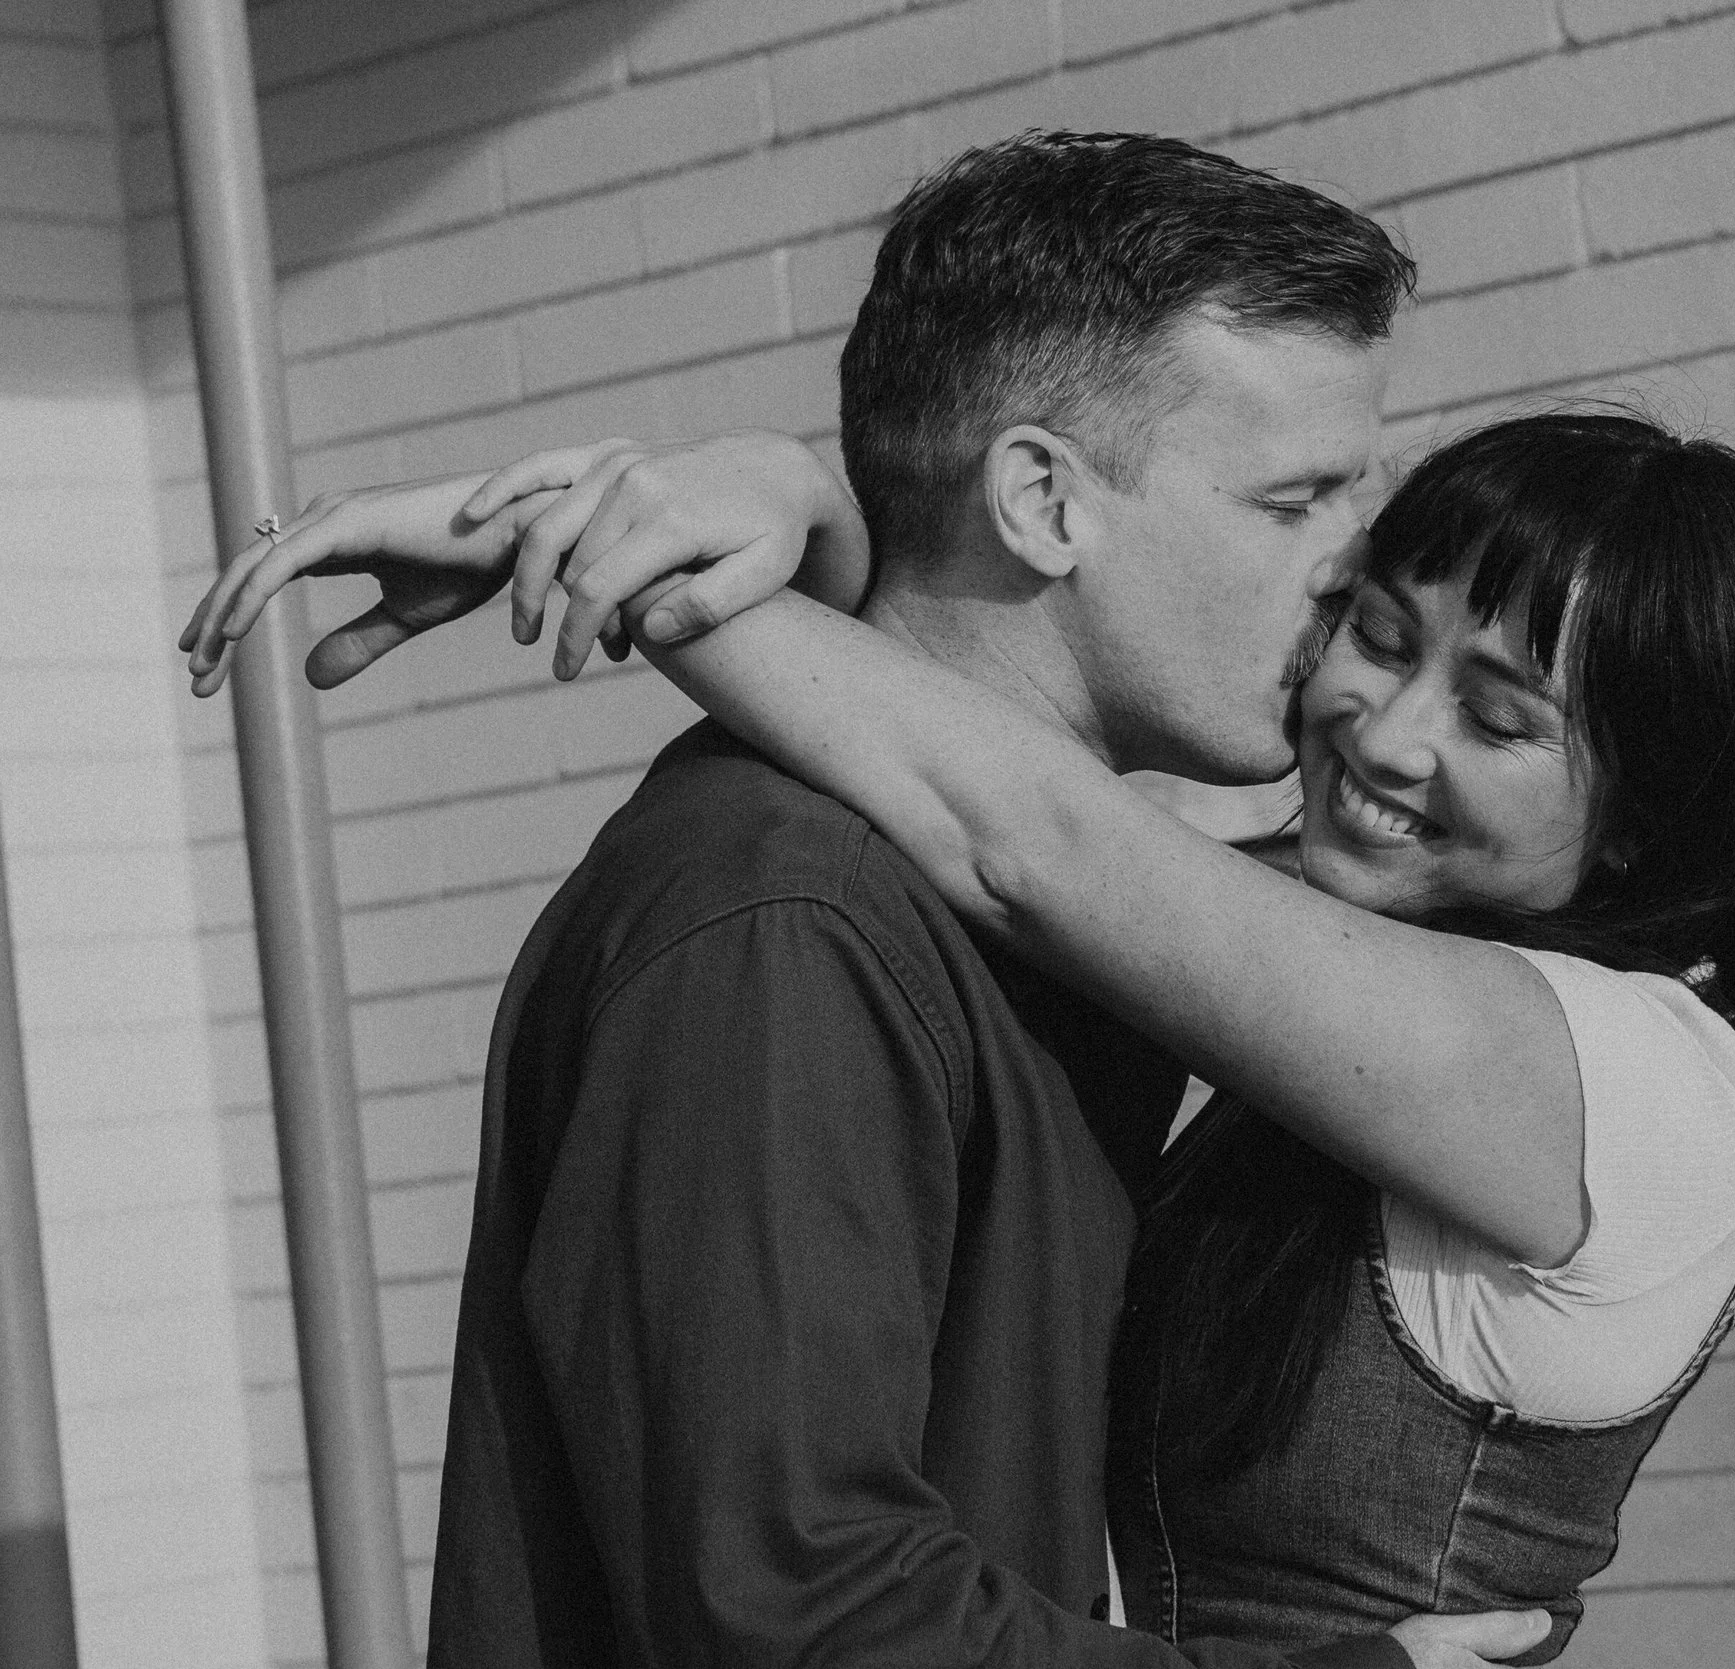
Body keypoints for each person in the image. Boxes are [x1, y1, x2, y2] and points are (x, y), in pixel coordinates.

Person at [189, 402, 1735, 1657]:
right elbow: (986, 718)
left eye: (1500, 718)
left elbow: (1036, 839)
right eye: (1376, 631)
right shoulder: (1327, 923)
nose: (1385, 726)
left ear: (1648, 822)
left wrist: (611, 557)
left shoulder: (1623, 1082)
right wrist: (783, 492)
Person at [185, 133, 1556, 1669]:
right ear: (1039, 500)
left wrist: (795, 495)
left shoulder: (1058, 915)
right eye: (1294, 499)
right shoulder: (791, 924)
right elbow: (791, 1605)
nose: (1349, 568)